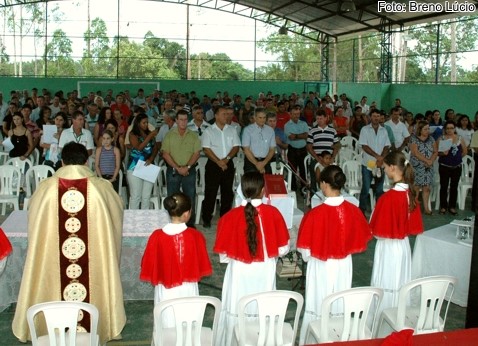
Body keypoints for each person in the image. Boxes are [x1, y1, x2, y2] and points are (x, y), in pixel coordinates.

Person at [12, 142, 126, 344]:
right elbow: (115, 220)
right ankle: (97, 325)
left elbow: (35, 222)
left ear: (62, 161)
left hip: (54, 262)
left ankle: (48, 327)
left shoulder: (45, 188)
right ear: (86, 161)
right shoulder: (102, 188)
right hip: (93, 264)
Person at [213, 172, 290, 346]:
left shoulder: (230, 216)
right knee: (264, 307)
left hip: (240, 271)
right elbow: (283, 249)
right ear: (263, 190)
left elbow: (224, 255)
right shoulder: (273, 213)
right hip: (265, 269)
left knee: (238, 306)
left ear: (241, 190)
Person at [297, 165, 371, 345]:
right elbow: (360, 237)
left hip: (321, 264)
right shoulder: (353, 210)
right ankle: (339, 335)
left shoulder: (314, 214)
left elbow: (305, 251)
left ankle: (317, 338)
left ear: (323, 184)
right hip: (344, 264)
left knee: (320, 301)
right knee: (340, 297)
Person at [140, 192, 212, 327]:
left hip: (165, 289)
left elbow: (147, 263)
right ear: (187, 214)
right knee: (188, 320)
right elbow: (201, 263)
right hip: (188, 289)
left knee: (166, 321)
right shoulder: (195, 236)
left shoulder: (156, 236)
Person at [370, 152, 423, 319]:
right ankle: (399, 317)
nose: (384, 171)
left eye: (385, 167)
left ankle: (382, 318)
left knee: (386, 281)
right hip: (404, 246)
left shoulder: (387, 198)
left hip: (388, 247)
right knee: (400, 282)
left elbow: (377, 231)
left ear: (393, 168)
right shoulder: (411, 194)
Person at [201, 106, 241, 228]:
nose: (227, 116)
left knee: (227, 193)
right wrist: (218, 161)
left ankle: (225, 218)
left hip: (228, 163)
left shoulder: (232, 130)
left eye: (228, 114)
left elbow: (236, 146)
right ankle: (207, 218)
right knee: (210, 193)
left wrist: (226, 159)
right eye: (224, 114)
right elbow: (206, 149)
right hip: (213, 165)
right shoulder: (208, 131)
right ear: (216, 116)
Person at [161, 110, 201, 227]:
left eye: (185, 119)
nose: (183, 122)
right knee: (172, 198)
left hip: (189, 170)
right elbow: (165, 154)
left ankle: (190, 224)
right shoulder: (169, 135)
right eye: (181, 120)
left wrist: (187, 167)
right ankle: (172, 222)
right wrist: (178, 168)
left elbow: (196, 153)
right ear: (176, 121)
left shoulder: (193, 135)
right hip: (174, 170)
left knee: (190, 197)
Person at [358, 108, 391, 213]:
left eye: (378, 116)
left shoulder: (384, 130)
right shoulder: (365, 129)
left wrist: (381, 158)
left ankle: (379, 211)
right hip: (368, 163)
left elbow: (387, 146)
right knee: (366, 188)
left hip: (380, 164)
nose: (376, 118)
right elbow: (364, 145)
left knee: (379, 189)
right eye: (374, 116)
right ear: (370, 117)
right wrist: (377, 156)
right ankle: (361, 211)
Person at [127, 113, 159, 209]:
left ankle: (145, 220)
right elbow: (139, 148)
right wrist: (149, 136)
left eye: (147, 122)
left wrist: (151, 159)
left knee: (146, 197)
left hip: (148, 165)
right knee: (136, 196)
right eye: (144, 123)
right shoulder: (132, 134)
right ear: (138, 123)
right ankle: (134, 220)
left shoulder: (149, 133)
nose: (146, 125)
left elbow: (155, 148)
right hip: (134, 166)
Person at [437, 120, 467, 215]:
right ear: (445, 129)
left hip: (456, 167)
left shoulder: (459, 138)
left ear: (454, 129)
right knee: (444, 186)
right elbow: (436, 152)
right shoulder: (441, 138)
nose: (449, 130)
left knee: (454, 187)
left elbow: (465, 151)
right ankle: (443, 206)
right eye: (447, 128)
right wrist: (442, 153)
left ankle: (452, 206)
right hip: (444, 166)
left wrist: (457, 158)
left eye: (451, 128)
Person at [409, 120, 437, 215]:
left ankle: (426, 208)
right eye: (425, 129)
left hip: (428, 167)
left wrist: (431, 160)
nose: (427, 131)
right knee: (416, 187)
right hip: (417, 166)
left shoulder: (431, 139)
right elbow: (415, 153)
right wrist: (426, 160)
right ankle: (414, 207)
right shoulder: (414, 139)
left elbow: (435, 151)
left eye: (428, 128)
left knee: (427, 188)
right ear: (420, 130)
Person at [242, 107, 276, 174]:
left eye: (264, 117)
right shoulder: (247, 130)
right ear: (255, 117)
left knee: (266, 183)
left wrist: (263, 163)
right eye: (260, 117)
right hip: (251, 161)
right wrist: (257, 164)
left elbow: (272, 149)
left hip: (266, 161)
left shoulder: (270, 130)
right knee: (251, 184)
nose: (262, 120)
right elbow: (246, 149)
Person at [284, 105, 309, 191]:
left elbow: (306, 135)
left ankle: (304, 189)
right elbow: (291, 137)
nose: (296, 116)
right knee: (292, 170)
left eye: (298, 114)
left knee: (303, 170)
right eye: (294, 114)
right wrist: (301, 136)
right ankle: (293, 189)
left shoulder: (304, 123)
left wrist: (297, 136)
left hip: (303, 150)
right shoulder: (287, 125)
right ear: (290, 114)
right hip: (292, 150)